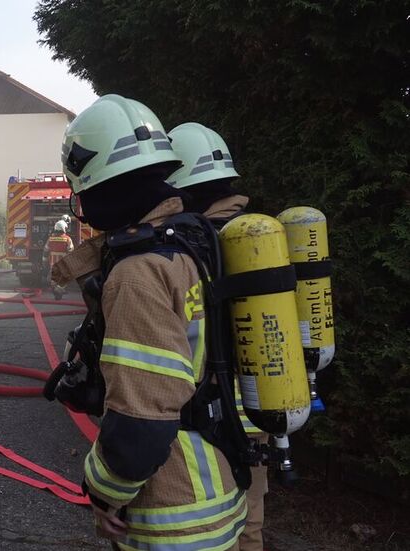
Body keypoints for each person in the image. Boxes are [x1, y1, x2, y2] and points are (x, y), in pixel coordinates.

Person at [59, 95, 246, 549]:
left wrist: (102, 492)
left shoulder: (138, 273)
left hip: (173, 513)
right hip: (218, 487)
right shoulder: (194, 244)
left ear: (96, 186)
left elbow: (143, 419)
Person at [168, 122, 266, 551]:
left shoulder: (192, 245)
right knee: (252, 524)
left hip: (211, 416)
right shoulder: (260, 235)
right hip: (264, 407)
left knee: (213, 523)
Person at [45, 220, 75, 299]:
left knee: (53, 279)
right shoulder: (68, 239)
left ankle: (56, 291)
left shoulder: (50, 239)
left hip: (53, 264)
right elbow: (71, 251)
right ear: (64, 228)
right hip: (63, 264)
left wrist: (44, 260)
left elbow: (46, 250)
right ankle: (59, 292)